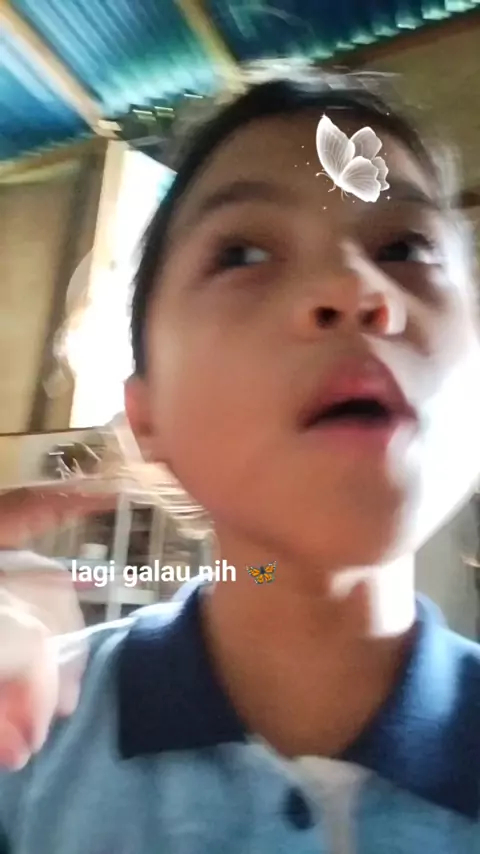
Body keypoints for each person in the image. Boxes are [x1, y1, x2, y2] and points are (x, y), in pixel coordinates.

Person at [1, 67, 480, 853]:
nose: (352, 287)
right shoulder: (30, 749)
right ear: (147, 419)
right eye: (245, 253)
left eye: (404, 246)